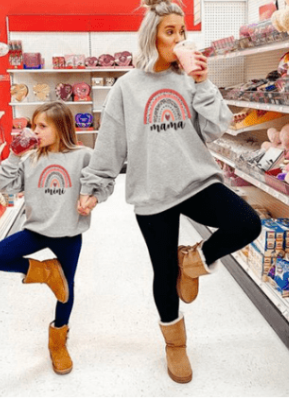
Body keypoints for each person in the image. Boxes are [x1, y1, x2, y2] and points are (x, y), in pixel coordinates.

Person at [78, 0, 261, 384]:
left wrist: (201, 81)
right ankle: (175, 345)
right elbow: (111, 143)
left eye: (182, 31)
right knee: (162, 272)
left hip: (196, 181)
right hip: (152, 192)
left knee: (246, 224)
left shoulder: (188, 80)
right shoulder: (126, 87)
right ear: (153, 37)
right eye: (170, 31)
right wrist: (95, 187)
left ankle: (194, 261)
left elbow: (218, 126)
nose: (179, 38)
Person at [0, 101, 112, 375]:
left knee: (66, 291)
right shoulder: (30, 158)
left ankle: (58, 343)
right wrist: (14, 155)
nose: (35, 131)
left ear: (61, 127)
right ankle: (45, 272)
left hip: (68, 234)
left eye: (42, 126)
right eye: (33, 125)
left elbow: (104, 182)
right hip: (35, 230)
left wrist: (92, 198)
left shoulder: (83, 156)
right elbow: (5, 186)